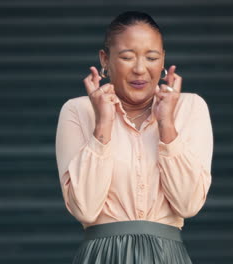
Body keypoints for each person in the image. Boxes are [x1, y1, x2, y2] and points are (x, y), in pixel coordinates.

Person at [55, 10, 213, 264]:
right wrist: (103, 124)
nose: (140, 69)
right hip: (101, 257)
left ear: (163, 61)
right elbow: (84, 208)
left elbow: (188, 205)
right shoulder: (78, 111)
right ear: (105, 60)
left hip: (167, 257)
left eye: (151, 57)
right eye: (127, 57)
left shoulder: (190, 108)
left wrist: (167, 124)